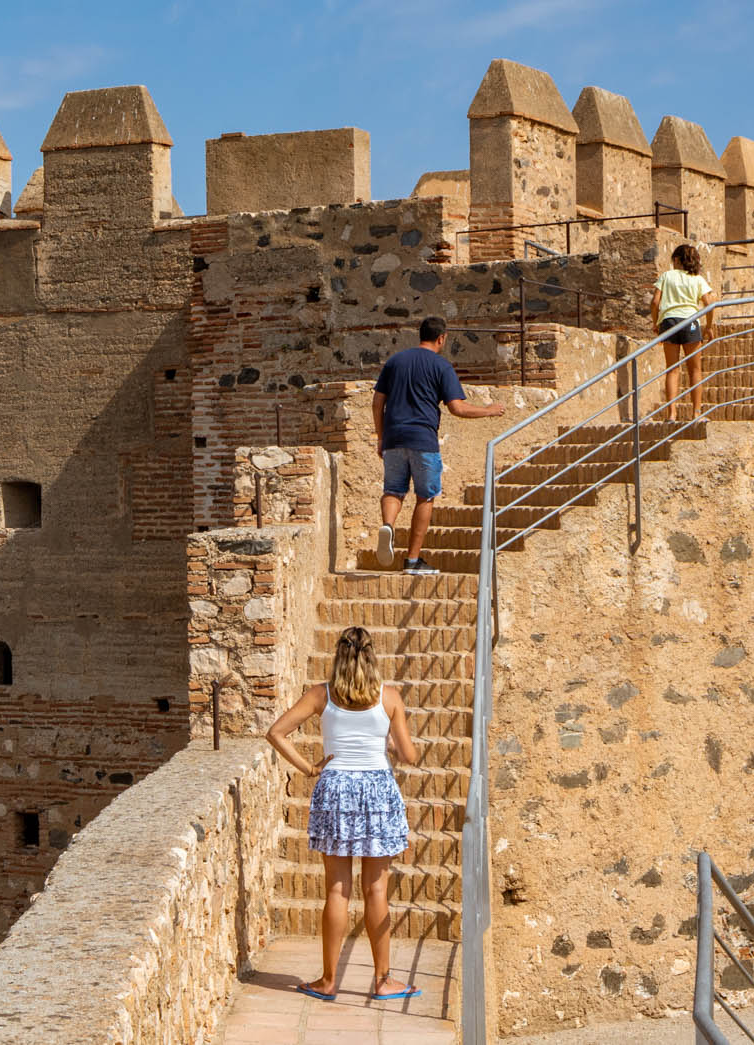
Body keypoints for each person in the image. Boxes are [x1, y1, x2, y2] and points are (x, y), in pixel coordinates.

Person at [263, 626, 422, 1002]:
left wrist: (309, 768)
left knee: (337, 889)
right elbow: (410, 755)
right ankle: (383, 980)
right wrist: (389, 743)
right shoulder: (389, 697)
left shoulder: (321, 695)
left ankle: (328, 980)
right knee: (376, 889)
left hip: (335, 787)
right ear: (371, 656)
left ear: (338, 656)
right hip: (377, 790)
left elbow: (276, 732)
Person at [373, 316, 505, 574]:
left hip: (393, 438)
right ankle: (412, 561)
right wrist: (488, 411)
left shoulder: (395, 361)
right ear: (441, 338)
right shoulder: (441, 366)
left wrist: (380, 437)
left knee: (393, 490)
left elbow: (377, 403)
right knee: (426, 496)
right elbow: (457, 408)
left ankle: (388, 526)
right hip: (423, 439)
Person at [649, 243, 718, 422]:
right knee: (695, 370)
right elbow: (709, 304)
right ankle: (696, 413)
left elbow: (655, 302)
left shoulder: (666, 276)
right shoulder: (697, 279)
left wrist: (656, 323)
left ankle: (672, 414)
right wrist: (709, 326)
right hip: (690, 322)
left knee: (672, 369)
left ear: (677, 260)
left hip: (668, 323)